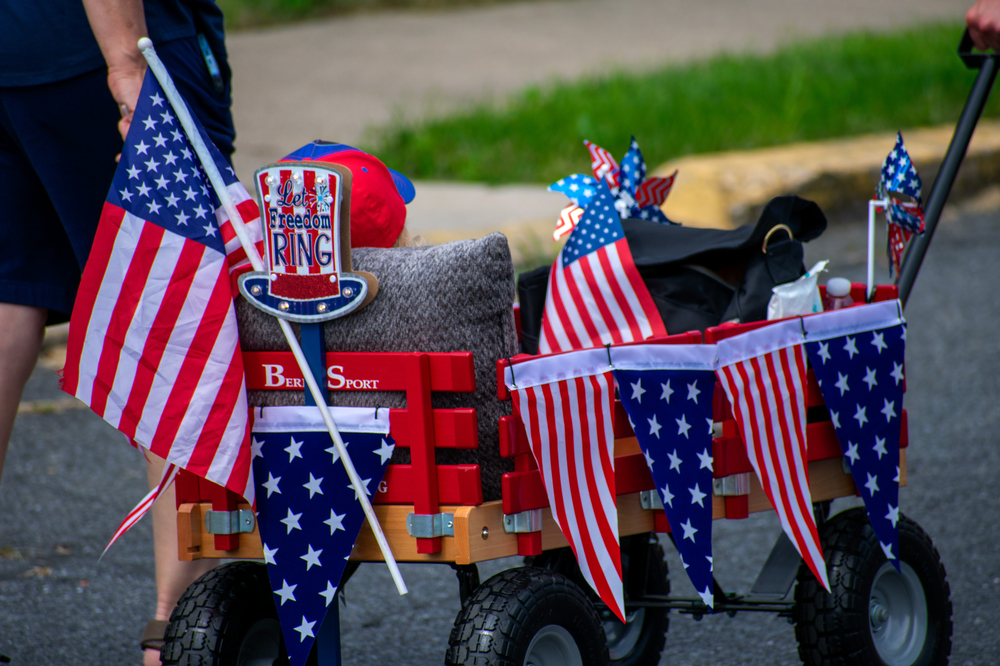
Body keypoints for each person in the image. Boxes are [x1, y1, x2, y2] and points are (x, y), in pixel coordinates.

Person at [0, 1, 236, 664]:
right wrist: (127, 65)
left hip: (12, 58)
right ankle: (178, 624)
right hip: (103, 48)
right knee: (172, 311)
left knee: (8, 304)